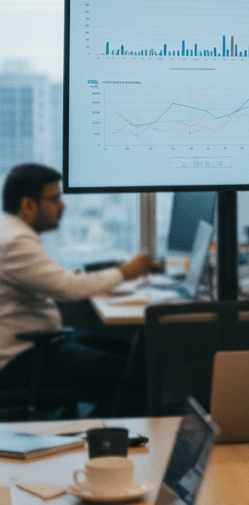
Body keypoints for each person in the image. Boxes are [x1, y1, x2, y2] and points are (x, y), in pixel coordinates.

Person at [0, 163, 158, 414]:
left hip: (38, 344)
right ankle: (102, 439)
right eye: (54, 199)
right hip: (19, 358)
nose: (62, 206)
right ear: (28, 205)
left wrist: (103, 275)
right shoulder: (15, 241)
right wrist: (124, 272)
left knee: (131, 355)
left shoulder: (12, 232)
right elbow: (67, 289)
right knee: (129, 371)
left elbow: (55, 280)